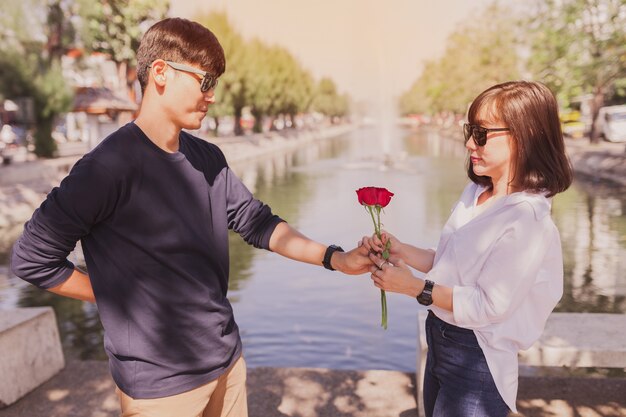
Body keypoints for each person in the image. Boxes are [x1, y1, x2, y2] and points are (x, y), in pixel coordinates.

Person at [10, 17, 372, 417]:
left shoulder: (208, 158)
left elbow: (258, 224)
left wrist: (337, 259)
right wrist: (112, 293)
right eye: (205, 81)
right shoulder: (106, 167)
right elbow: (32, 258)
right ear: (161, 72)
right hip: (158, 389)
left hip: (227, 364)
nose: (212, 96)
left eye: (215, 83)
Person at [360, 80, 573, 416]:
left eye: (483, 133)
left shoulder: (527, 218)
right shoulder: (476, 192)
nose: (470, 143)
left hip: (478, 359)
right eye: (470, 130)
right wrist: (400, 250)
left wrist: (413, 287)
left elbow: (489, 305)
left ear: (525, 135)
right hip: (440, 339)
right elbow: (450, 263)